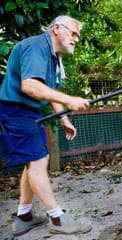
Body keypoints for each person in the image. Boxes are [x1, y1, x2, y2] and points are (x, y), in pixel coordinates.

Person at [0, 15, 92, 236]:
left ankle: (24, 216)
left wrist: (64, 118)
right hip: (15, 112)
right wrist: (69, 100)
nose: (76, 39)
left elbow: (48, 93)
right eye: (73, 33)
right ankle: (57, 219)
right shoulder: (36, 47)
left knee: (34, 162)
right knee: (38, 162)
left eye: (77, 35)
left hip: (28, 113)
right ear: (57, 28)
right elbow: (30, 86)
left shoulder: (52, 56)